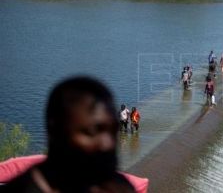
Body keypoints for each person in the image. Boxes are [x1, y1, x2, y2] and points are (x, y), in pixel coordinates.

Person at [0, 77, 135, 193]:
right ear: (55, 131)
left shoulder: (120, 187)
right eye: (91, 132)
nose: (107, 144)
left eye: (112, 130)